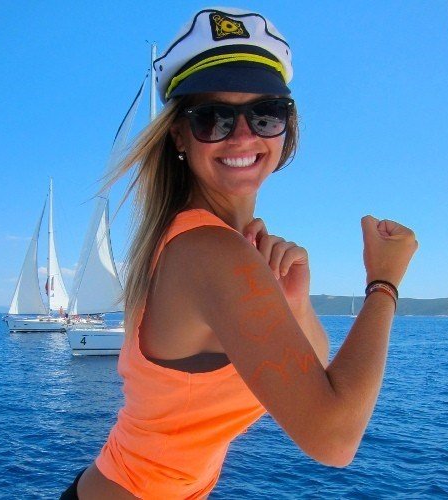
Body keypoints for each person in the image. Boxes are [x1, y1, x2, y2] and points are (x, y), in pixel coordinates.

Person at [61, 7, 418, 499]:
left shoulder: (199, 241)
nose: (245, 135)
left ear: (287, 127)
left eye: (266, 113)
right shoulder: (211, 252)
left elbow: (314, 367)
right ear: (179, 134)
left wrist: (293, 303)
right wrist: (384, 283)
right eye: (214, 118)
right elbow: (335, 440)